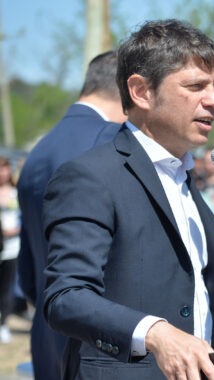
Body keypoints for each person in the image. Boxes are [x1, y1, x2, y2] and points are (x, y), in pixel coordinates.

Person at [41, 19, 214, 380]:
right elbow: (66, 296)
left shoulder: (183, 177)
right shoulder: (91, 176)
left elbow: (200, 289)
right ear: (141, 91)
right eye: (195, 86)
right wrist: (156, 333)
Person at [16, 50, 125, 380]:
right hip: (97, 348)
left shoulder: (40, 149)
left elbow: (30, 273)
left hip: (49, 341)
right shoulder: (108, 143)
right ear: (131, 89)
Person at [0, 156, 15, 344]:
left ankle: (3, 324)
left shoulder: (15, 192)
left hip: (12, 248)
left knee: (6, 288)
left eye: (5, 168)